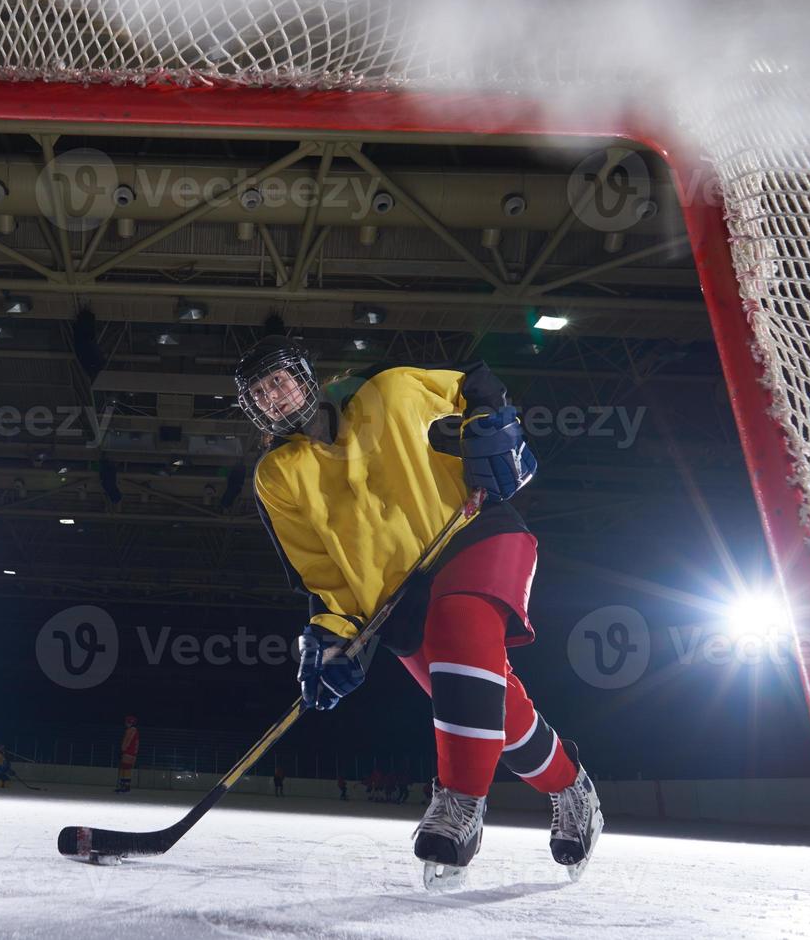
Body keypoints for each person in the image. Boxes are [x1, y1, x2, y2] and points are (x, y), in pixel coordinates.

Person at [237, 336, 603, 886]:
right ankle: (572, 788)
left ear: (305, 374)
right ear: (254, 409)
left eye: (280, 379)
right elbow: (324, 577)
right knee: (487, 710)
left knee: (461, 639)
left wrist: (492, 425)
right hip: (399, 601)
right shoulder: (277, 476)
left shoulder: (387, 388)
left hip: (473, 534)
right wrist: (332, 640)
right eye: (261, 393)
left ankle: (459, 806)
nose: (275, 395)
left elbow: (474, 383)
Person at [115, 715, 139, 794]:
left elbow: (127, 741)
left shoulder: (131, 730)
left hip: (128, 752)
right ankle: (124, 786)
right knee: (125, 769)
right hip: (131, 753)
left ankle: (125, 787)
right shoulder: (134, 730)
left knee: (125, 769)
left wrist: (123, 750)